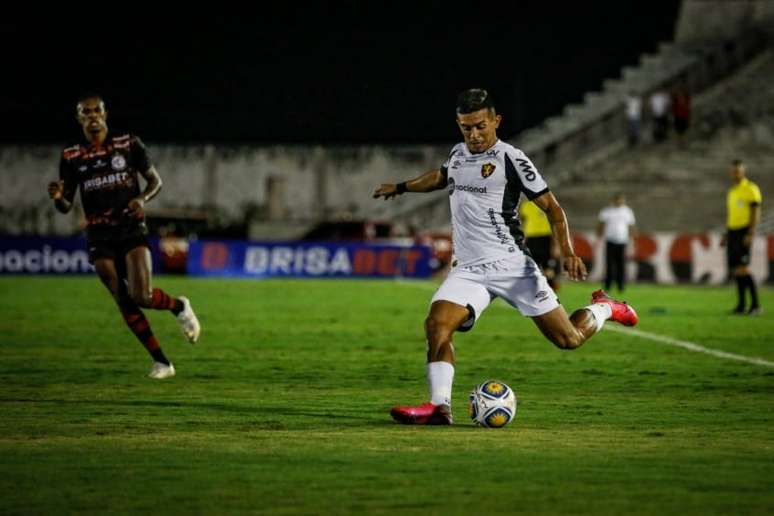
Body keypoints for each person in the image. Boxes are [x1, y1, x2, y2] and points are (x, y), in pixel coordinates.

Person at [373, 88, 638, 425]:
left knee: (568, 339)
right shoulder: (457, 154)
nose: (474, 134)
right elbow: (440, 178)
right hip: (469, 269)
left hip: (512, 266)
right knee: (437, 325)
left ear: (496, 121)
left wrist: (568, 251)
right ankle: (439, 408)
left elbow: (553, 209)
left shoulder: (511, 158)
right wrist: (400, 186)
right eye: (466, 128)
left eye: (481, 126)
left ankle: (605, 307)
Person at [47, 94, 200, 379]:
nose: (93, 116)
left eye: (97, 111)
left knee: (141, 295)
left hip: (130, 227)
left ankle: (179, 306)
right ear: (79, 118)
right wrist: (58, 197)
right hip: (99, 232)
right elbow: (66, 205)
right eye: (86, 113)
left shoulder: (128, 143)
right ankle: (162, 363)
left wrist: (142, 198)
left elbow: (156, 181)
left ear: (105, 113)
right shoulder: (71, 155)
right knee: (122, 297)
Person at [720, 160, 762, 315]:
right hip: (733, 232)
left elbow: (755, 212)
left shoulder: (751, 188)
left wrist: (750, 233)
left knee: (743, 268)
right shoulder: (732, 191)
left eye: (738, 171)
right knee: (737, 270)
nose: (735, 174)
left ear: (743, 172)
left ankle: (756, 305)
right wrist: (726, 234)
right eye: (733, 171)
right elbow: (733, 215)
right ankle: (742, 305)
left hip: (744, 231)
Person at [597, 194, 637, 292]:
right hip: (610, 240)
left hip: (622, 241)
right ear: (614, 200)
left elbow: (631, 226)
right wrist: (599, 237)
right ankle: (608, 284)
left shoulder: (627, 211)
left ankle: (621, 285)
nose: (619, 201)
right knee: (609, 264)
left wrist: (633, 239)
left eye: (621, 200)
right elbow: (601, 225)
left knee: (621, 264)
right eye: (618, 199)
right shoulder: (607, 211)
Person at [518, 199, 560, 291]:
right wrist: (523, 240)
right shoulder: (525, 206)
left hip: (546, 238)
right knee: (532, 266)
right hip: (531, 239)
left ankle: (551, 289)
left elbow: (554, 224)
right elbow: (523, 223)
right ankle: (534, 290)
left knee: (548, 267)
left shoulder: (547, 203)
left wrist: (556, 245)